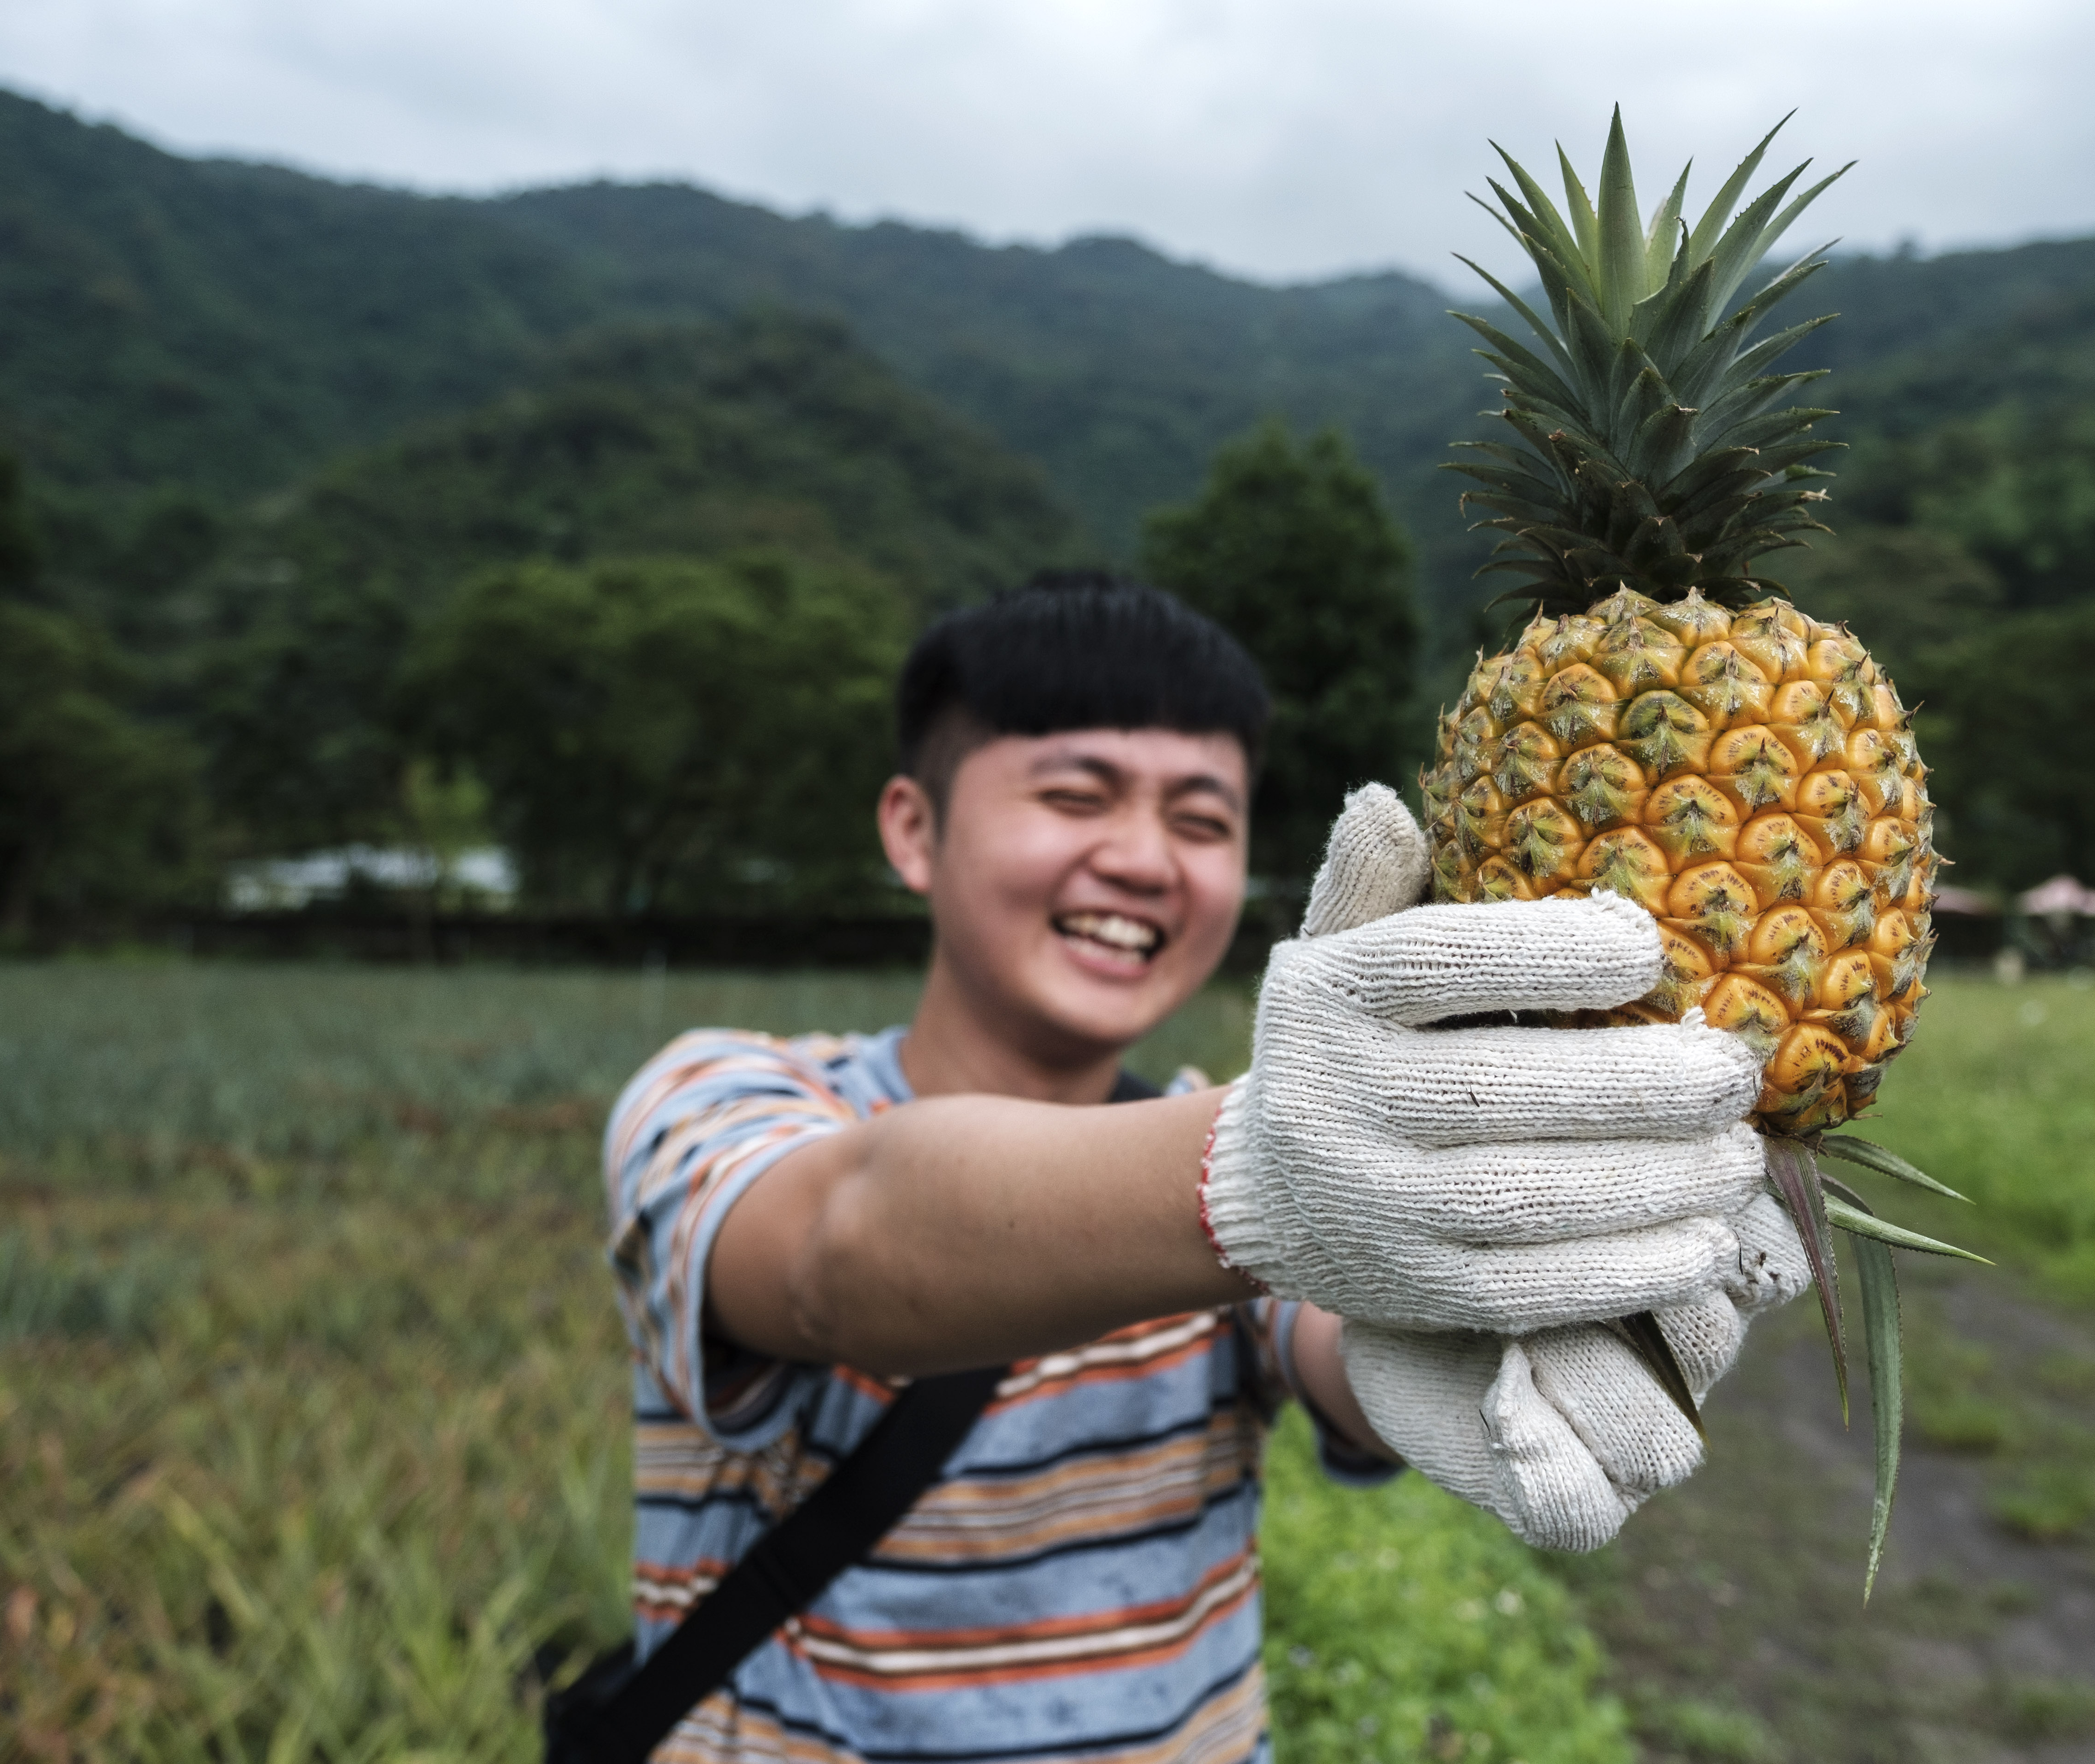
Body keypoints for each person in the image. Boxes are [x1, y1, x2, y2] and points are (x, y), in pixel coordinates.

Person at [602, 570, 1810, 1763]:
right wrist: (1252, 1176)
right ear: (914, 829)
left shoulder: (1272, 1147)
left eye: (1200, 819)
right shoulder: (720, 1098)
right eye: (1076, 795)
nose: (1142, 860)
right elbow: (836, 1252)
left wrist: (1520, 1304)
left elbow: (1353, 1350)